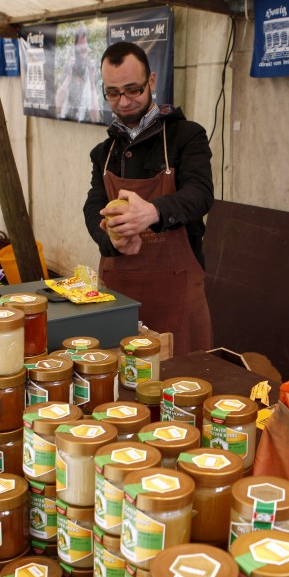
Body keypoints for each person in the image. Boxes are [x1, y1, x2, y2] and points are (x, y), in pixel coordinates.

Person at [84, 41, 214, 355]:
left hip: (176, 289)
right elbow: (93, 206)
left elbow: (200, 193)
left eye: (133, 90)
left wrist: (153, 212)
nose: (124, 101)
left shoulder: (186, 136)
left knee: (181, 374)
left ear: (151, 81)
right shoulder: (105, 152)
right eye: (113, 93)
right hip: (118, 291)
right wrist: (111, 240)